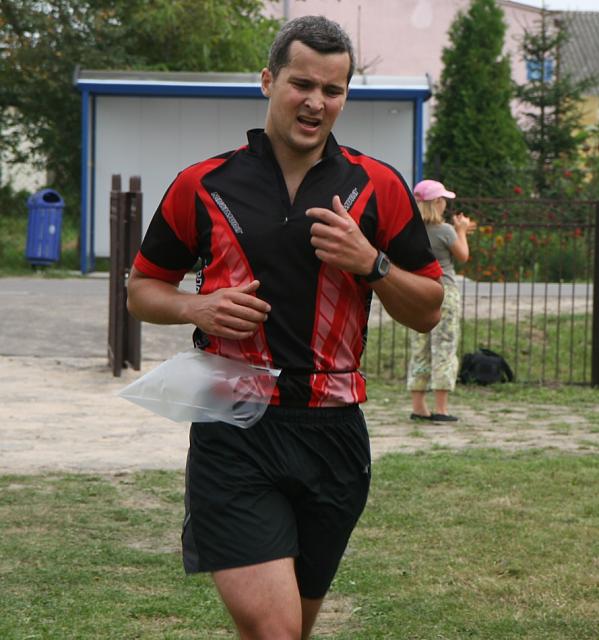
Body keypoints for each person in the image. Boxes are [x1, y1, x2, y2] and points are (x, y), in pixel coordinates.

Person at [127, 15, 443, 640]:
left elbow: (428, 308)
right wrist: (196, 308)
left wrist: (372, 263)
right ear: (268, 80)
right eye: (302, 84)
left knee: (288, 631)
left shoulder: (378, 186)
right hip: (234, 424)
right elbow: (141, 288)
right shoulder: (203, 184)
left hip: (334, 432)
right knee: (275, 630)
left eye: (333, 90)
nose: (316, 102)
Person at [407, 179, 476, 423]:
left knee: (420, 348)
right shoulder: (445, 230)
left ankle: (418, 407)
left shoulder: (410, 231)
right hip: (443, 291)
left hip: (417, 291)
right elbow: (463, 255)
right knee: (444, 346)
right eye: (443, 199)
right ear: (437, 202)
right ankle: (441, 408)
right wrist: (461, 231)